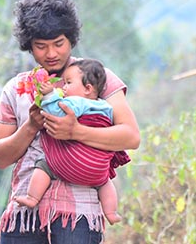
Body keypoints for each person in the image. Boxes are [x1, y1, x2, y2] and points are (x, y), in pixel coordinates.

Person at [0, 0, 140, 244]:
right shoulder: (16, 89)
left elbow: (131, 136)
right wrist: (30, 126)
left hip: (79, 217)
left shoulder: (96, 78)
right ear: (29, 45)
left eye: (58, 43)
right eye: (41, 46)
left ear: (71, 39)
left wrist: (76, 132)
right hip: (23, 217)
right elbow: (0, 157)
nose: (51, 53)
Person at [14, 59, 131, 226]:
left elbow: (56, 112)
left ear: (88, 89)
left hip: (73, 164)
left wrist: (48, 95)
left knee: (43, 165)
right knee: (106, 181)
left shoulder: (76, 102)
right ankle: (111, 212)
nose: (64, 87)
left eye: (68, 83)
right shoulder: (105, 107)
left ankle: (32, 197)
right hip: (96, 169)